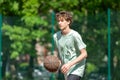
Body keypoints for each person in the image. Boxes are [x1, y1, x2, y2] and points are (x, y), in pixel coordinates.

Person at [53, 11, 87, 80]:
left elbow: (84, 54)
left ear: (68, 22)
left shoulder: (75, 35)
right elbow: (57, 53)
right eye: (58, 21)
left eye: (62, 21)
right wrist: (56, 64)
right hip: (66, 69)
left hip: (77, 68)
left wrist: (69, 64)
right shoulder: (56, 36)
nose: (59, 23)